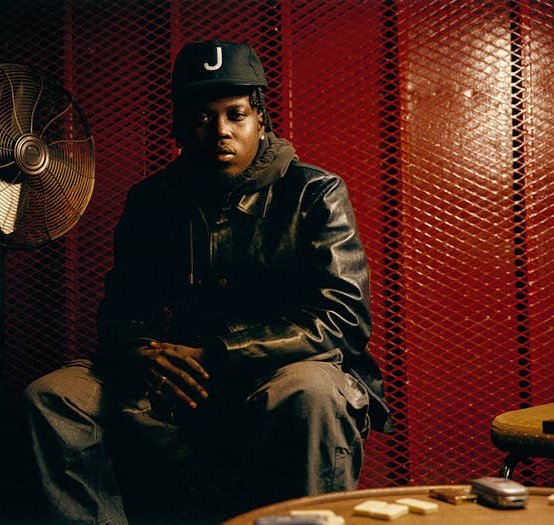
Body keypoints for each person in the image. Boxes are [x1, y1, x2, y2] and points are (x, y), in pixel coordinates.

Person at [23, 39, 392, 525]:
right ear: (180, 126)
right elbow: (123, 308)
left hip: (281, 375)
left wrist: (220, 353)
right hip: (185, 382)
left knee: (311, 393)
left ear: (260, 119)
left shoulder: (313, 192)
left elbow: (343, 319)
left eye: (236, 115)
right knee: (54, 396)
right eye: (202, 117)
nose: (221, 131)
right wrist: (143, 353)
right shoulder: (153, 200)